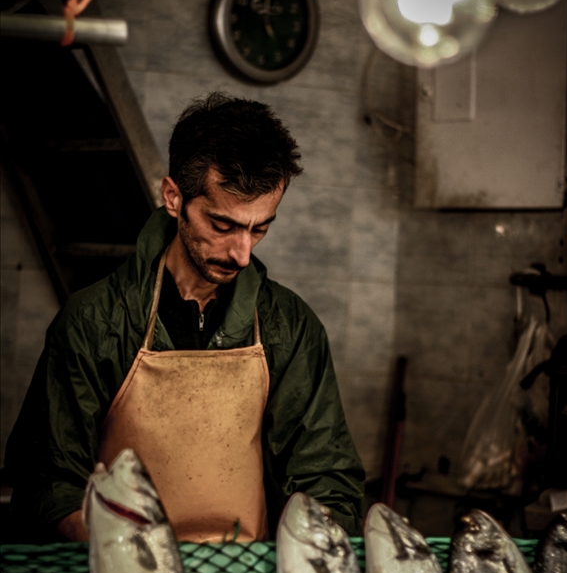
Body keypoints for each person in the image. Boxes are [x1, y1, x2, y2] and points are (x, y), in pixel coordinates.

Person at [5, 93, 364, 541]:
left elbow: (326, 474)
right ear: (174, 198)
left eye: (260, 228)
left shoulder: (289, 327)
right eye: (222, 224)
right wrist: (114, 548)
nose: (242, 253)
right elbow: (48, 480)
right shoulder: (95, 322)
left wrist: (319, 531)